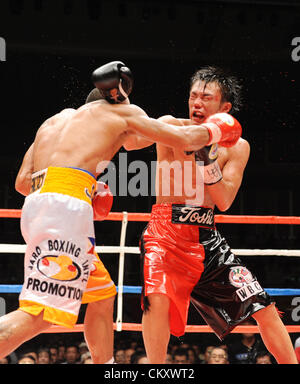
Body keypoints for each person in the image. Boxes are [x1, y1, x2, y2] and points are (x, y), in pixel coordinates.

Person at [0, 61, 232, 364]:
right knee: (41, 315)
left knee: (102, 293)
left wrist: (84, 187)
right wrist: (220, 128)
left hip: (41, 206)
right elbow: (187, 140)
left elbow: (21, 183)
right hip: (64, 211)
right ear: (119, 98)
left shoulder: (54, 122)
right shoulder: (121, 111)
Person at [124, 65, 298, 364]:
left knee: (264, 309)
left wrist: (207, 160)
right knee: (157, 300)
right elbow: (129, 142)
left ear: (224, 107)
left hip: (208, 239)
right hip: (164, 233)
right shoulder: (170, 126)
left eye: (206, 97)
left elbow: (225, 199)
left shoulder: (238, 146)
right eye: (193, 96)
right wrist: (117, 105)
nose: (197, 103)